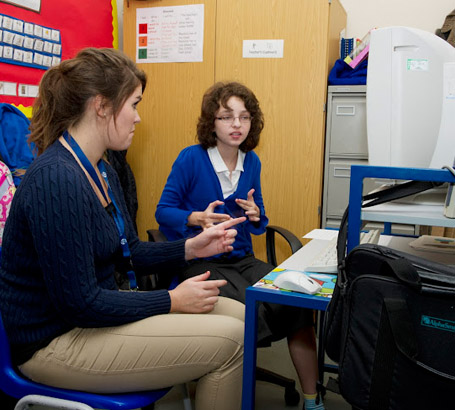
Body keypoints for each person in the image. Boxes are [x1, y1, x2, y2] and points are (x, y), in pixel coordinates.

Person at [0, 48, 247, 410]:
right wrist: (172, 301)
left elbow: (126, 248)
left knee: (240, 316)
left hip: (90, 321)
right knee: (233, 340)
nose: (138, 117)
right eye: (133, 104)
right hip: (54, 342)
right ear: (101, 106)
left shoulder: (101, 169)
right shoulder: (57, 179)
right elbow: (81, 303)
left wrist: (191, 247)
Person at [156, 82, 324, 410]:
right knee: (249, 310)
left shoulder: (252, 161)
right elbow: (163, 211)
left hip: (243, 259)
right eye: (226, 117)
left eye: (244, 117)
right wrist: (197, 218)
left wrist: (257, 213)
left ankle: (312, 400)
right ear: (211, 123)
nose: (236, 125)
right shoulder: (191, 159)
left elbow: (258, 215)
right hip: (202, 259)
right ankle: (233, 384)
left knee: (296, 302)